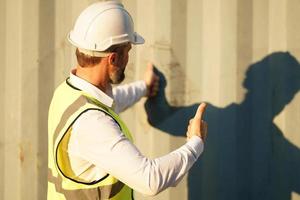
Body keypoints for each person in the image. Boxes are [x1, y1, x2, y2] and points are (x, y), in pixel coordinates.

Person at [47, 1, 208, 200]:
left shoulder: (66, 93)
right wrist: (196, 143)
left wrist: (144, 88)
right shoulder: (93, 123)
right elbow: (150, 180)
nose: (129, 58)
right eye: (128, 51)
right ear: (113, 59)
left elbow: (110, 101)